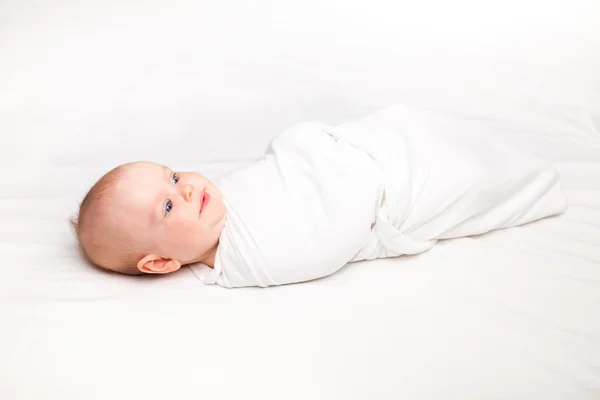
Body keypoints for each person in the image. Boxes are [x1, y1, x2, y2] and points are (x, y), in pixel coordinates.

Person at [71, 105, 567, 288]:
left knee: (411, 122)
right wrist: (345, 166)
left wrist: (307, 144)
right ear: (160, 263)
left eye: (173, 176)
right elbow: (330, 238)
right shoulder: (253, 259)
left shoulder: (216, 206)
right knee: (466, 175)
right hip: (387, 192)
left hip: (360, 150)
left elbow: (276, 169)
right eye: (167, 205)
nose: (188, 188)